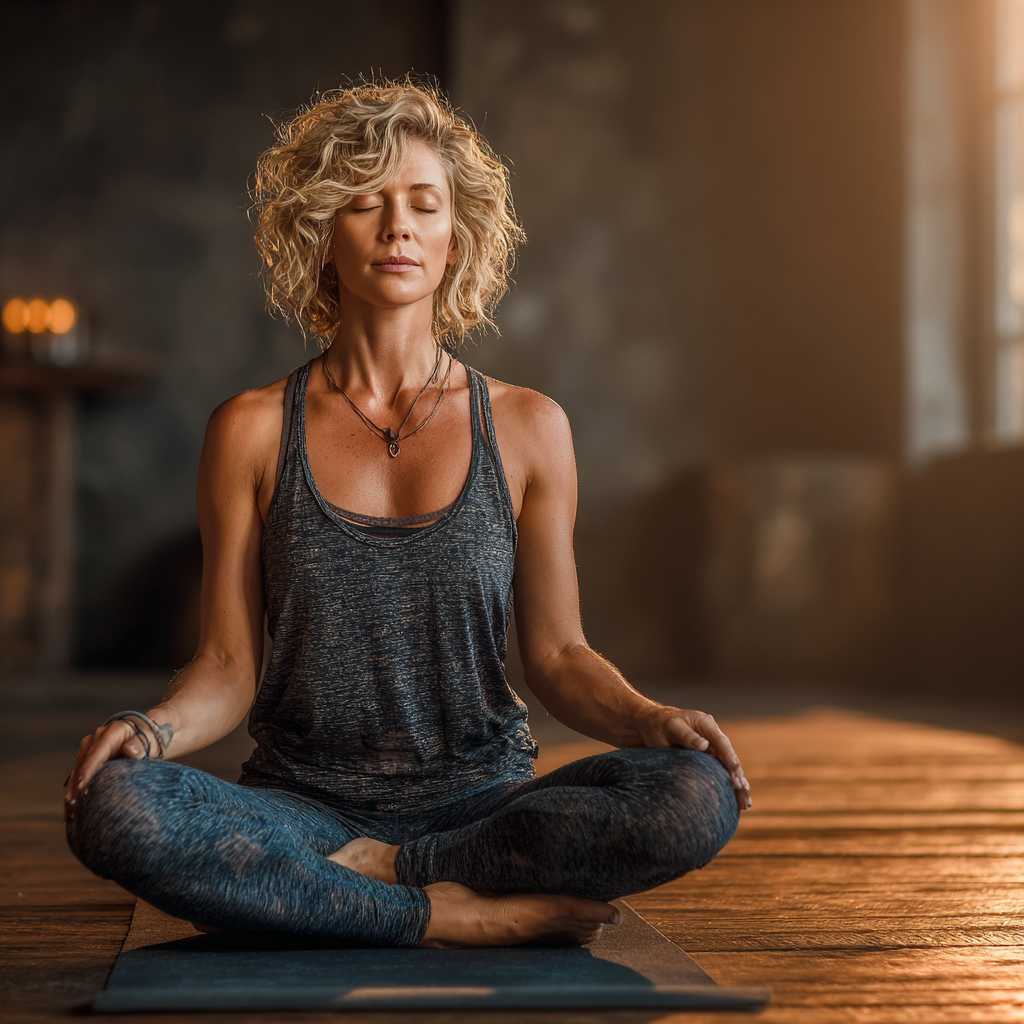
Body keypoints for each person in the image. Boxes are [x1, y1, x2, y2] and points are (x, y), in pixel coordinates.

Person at [64, 80, 751, 950]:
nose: (397, 227)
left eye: (423, 204)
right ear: (322, 233)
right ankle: (448, 915)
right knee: (118, 808)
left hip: (487, 806)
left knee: (694, 795)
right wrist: (148, 730)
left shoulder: (530, 427)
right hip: (303, 807)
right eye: (364, 203)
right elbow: (229, 665)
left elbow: (558, 655)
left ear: (454, 236)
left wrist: (651, 719)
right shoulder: (250, 430)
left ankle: (386, 880)